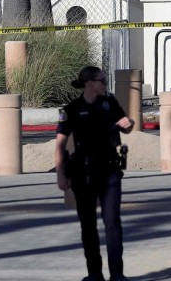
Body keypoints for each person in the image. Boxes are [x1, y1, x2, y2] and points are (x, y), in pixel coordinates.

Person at [55, 66, 135, 281]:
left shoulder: (110, 104)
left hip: (109, 170)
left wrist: (129, 124)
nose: (105, 84)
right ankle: (95, 273)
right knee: (88, 224)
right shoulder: (71, 109)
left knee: (112, 222)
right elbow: (60, 145)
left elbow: (125, 126)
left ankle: (117, 274)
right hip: (83, 172)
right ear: (90, 83)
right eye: (102, 80)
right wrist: (60, 174)